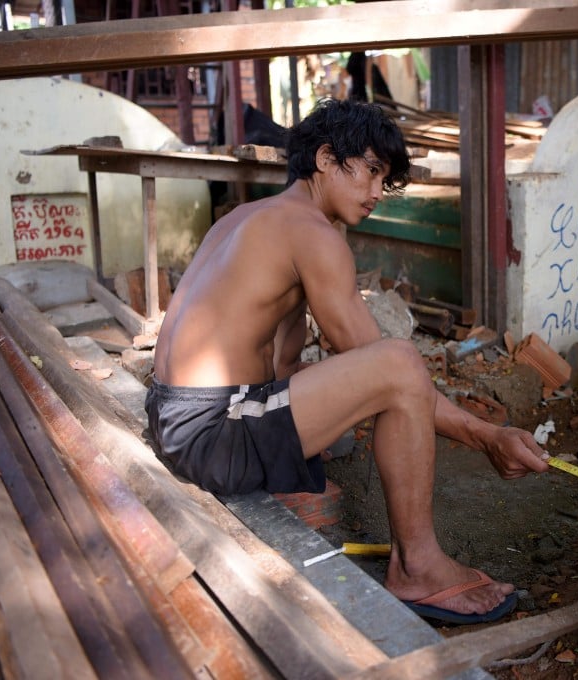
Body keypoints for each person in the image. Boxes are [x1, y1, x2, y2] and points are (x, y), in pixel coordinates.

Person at [145, 97, 550, 625]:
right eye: (372, 171)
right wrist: (485, 435)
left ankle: (290, 480)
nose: (378, 192)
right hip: (212, 435)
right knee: (400, 364)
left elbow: (280, 362)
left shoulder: (248, 218)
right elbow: (386, 367)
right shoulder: (313, 234)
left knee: (348, 374)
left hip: (177, 414)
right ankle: (419, 567)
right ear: (325, 159)